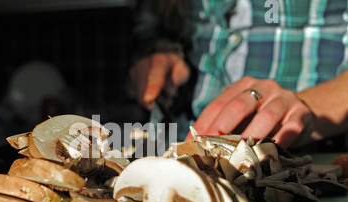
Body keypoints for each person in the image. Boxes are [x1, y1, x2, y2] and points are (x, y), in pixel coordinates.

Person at [130, 0, 348, 149]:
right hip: (175, 141)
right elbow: (152, 19)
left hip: (314, 155)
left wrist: (305, 106)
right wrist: (158, 50)